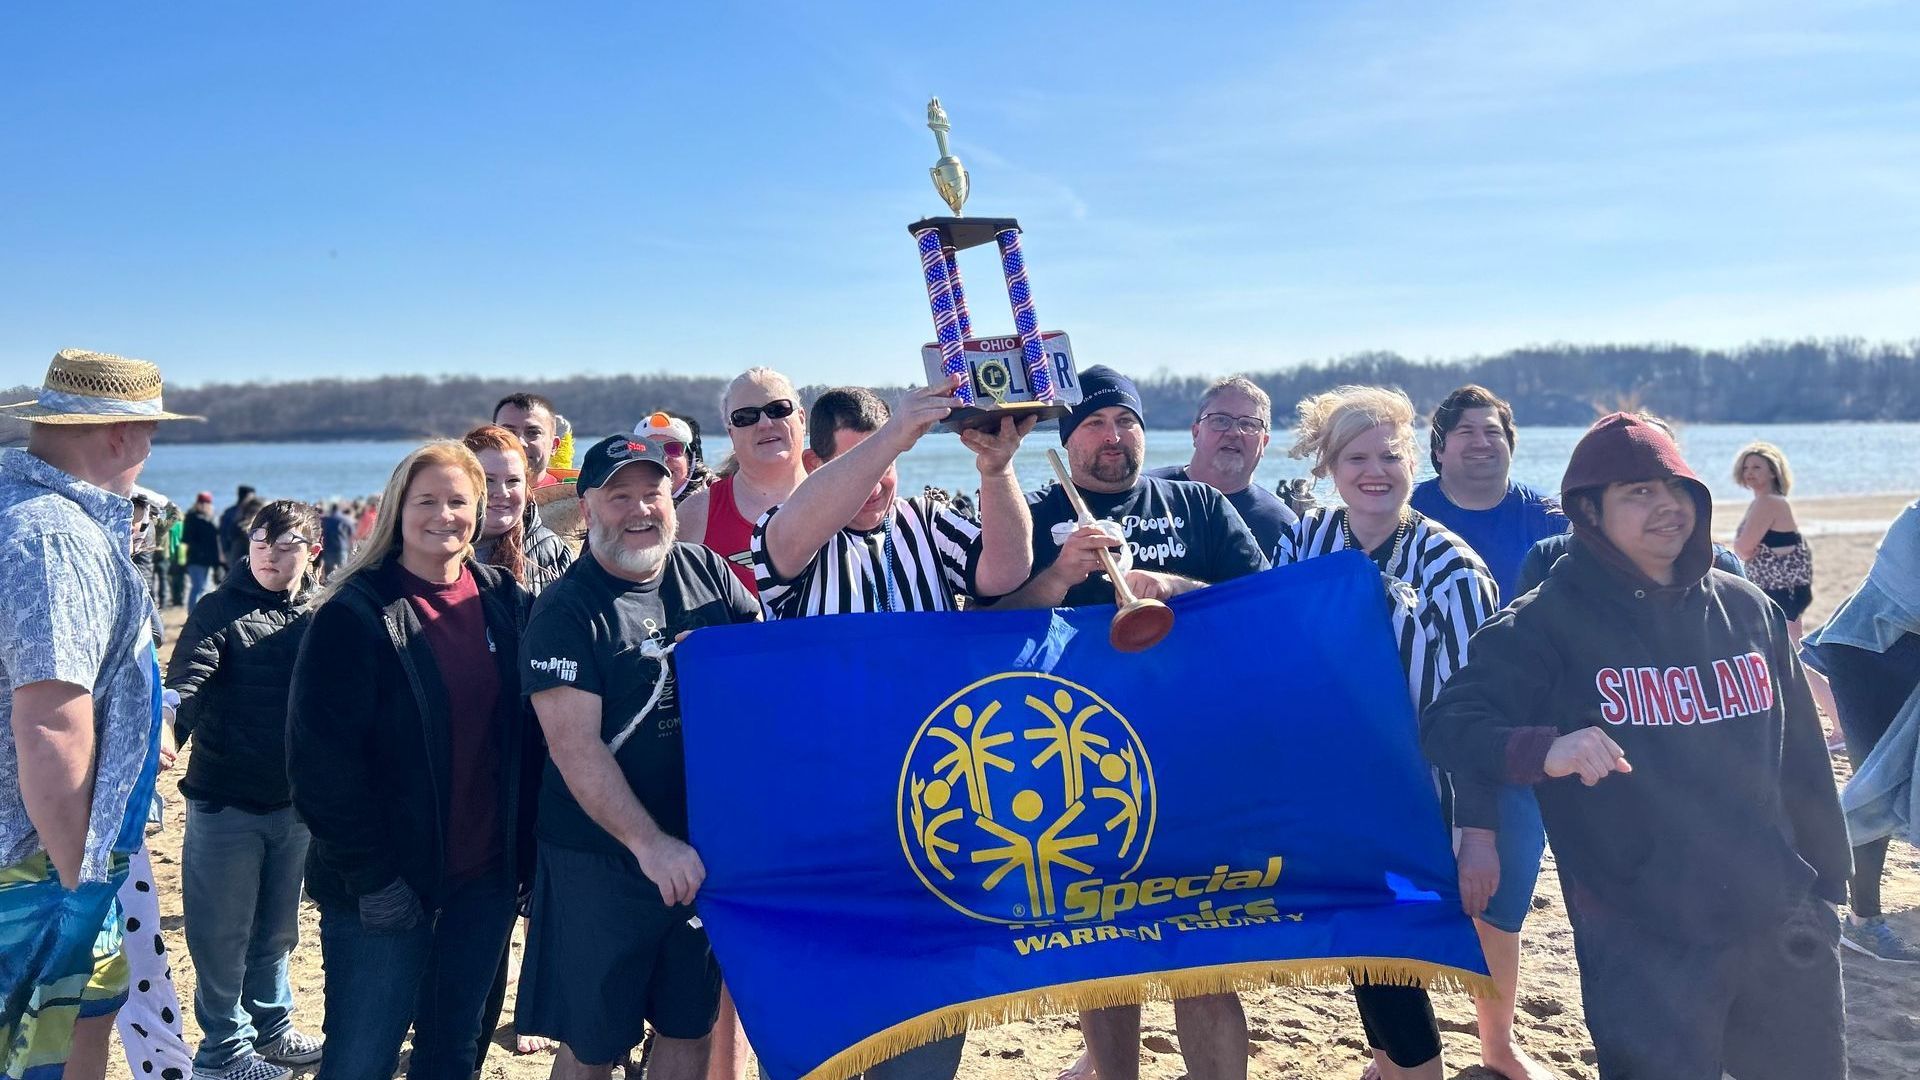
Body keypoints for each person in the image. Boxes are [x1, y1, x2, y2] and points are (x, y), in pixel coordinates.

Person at [1422, 413, 1850, 1080]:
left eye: (1674, 487)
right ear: (1589, 513)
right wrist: (1547, 749)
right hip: (1641, 931)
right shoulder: (1548, 619)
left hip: (1775, 913)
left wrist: (1826, 886)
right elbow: (1452, 723)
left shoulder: (1746, 610)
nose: (1665, 507)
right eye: (1637, 493)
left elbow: (1802, 760)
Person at [995, 366, 1266, 1080]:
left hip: (1195, 757)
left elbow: (1264, 607)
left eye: (1126, 422)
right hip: (1075, 760)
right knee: (1101, 950)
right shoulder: (1030, 507)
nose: (1112, 437)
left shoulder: (1199, 503)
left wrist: (1175, 588)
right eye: (1093, 423)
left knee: (1202, 957)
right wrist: (1056, 576)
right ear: (1067, 436)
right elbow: (981, 629)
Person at [1264, 386, 1509, 1080]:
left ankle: (1412, 1069)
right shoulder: (1306, 539)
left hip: (1416, 798)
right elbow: (1262, 636)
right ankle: (1390, 1064)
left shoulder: (1451, 569)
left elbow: (1474, 712)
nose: (1375, 471)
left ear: (1414, 461)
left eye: (1390, 455)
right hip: (1329, 790)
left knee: (1390, 952)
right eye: (1356, 457)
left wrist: (1478, 835)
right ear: (1329, 467)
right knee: (1364, 948)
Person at [287, 441, 539, 1080]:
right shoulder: (354, 615)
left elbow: (531, 735)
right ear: (397, 510)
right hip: (386, 885)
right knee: (361, 1056)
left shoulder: (505, 600)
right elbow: (320, 766)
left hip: (483, 878)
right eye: (426, 500)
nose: (443, 515)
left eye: (459, 501)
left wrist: (526, 859)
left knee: (452, 1053)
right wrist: (374, 880)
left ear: (480, 511)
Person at [515, 432, 761, 1080]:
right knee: (594, 1043)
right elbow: (574, 748)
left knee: (690, 1026)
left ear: (673, 496)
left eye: (651, 492)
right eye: (618, 496)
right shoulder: (567, 609)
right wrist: (651, 846)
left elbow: (767, 668)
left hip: (700, 846)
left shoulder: (707, 571)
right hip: (600, 857)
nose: (639, 509)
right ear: (588, 508)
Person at [0, 348, 201, 1080]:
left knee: (87, 1016)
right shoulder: (52, 537)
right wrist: (77, 882)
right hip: (35, 858)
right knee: (35, 1049)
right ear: (119, 435)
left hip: (50, 848)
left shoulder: (23, 507)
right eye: (149, 433)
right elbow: (50, 724)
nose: (149, 451)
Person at [1400, 384, 1562, 1080]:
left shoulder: (1543, 518)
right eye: (1464, 432)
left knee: (1500, 905)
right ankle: (1398, 1045)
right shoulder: (1410, 513)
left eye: (1492, 431)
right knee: (1407, 897)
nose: (1480, 442)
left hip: (1514, 735)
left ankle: (1497, 1044)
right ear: (1437, 448)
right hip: (1417, 734)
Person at [167, 500, 327, 1080]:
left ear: (311, 552)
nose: (268, 555)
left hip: (294, 804)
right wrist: (168, 732)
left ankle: (273, 1030)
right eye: (260, 543)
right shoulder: (217, 609)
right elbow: (189, 680)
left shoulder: (323, 610)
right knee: (220, 934)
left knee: (279, 930)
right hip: (223, 800)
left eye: (285, 546)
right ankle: (221, 1053)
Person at [752, 380, 1033, 618]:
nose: (873, 489)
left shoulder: (927, 520)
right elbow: (791, 539)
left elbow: (1006, 573)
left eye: (884, 466)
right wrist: (892, 437)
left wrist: (998, 471)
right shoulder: (781, 529)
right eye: (859, 466)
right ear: (814, 464)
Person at [1803, 499, 1920, 962]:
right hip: (1869, 659)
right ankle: (1863, 922)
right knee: (1875, 784)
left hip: (1908, 658)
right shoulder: (1914, 522)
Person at [1731, 441, 1843, 741]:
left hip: (1779, 592)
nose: (1750, 472)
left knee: (1791, 658)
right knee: (1783, 658)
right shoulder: (1767, 502)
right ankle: (1819, 723)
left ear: (1773, 471)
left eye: (1758, 467)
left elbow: (1743, 548)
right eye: (1746, 467)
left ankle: (1840, 723)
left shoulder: (1770, 503)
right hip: (1781, 589)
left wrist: (1736, 548)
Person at [678, 367, 810, 596]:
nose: (765, 423)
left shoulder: (842, 500)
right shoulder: (697, 513)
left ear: (801, 418)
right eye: (745, 417)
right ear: (731, 434)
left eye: (778, 409)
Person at [1147, 375, 1297, 554]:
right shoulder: (1146, 495)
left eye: (1248, 424)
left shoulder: (1283, 527)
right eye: (1220, 420)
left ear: (1263, 443)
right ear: (1196, 433)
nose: (1233, 432)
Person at [465, 425, 573, 593]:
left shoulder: (551, 550)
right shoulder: (436, 548)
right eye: (488, 480)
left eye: (513, 481)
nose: (501, 492)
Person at [494, 392, 562, 488]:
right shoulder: (469, 497)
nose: (520, 442)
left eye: (533, 433)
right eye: (509, 432)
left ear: (554, 446)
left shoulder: (579, 498)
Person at [185, 492, 224, 610]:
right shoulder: (194, 517)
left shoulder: (206, 517)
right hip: (197, 559)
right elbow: (188, 538)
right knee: (198, 587)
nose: (205, 505)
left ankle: (196, 612)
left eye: (206, 503)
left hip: (204, 559)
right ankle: (192, 614)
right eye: (202, 503)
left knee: (202, 587)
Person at [218, 486, 258, 577]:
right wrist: (223, 551)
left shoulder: (232, 511)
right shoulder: (232, 512)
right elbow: (223, 533)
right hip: (233, 549)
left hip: (238, 549)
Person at [321, 502, 355, 578]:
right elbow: (352, 535)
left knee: (329, 572)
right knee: (341, 572)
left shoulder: (325, 519)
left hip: (328, 549)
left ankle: (329, 587)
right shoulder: (346, 520)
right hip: (342, 549)